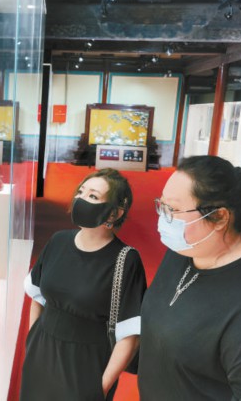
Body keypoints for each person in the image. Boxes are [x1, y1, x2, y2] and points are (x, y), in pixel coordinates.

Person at [139, 155, 241, 400]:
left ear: (220, 217)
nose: (163, 218)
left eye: (173, 210)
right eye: (162, 205)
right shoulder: (186, 249)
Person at [21, 168, 147, 400]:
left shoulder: (126, 260)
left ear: (114, 213)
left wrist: (102, 387)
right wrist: (32, 343)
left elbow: (131, 335)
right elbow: (37, 297)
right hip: (40, 354)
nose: (81, 199)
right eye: (80, 192)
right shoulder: (58, 241)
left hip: (86, 365)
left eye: (93, 196)